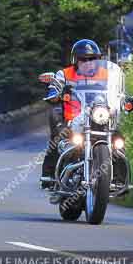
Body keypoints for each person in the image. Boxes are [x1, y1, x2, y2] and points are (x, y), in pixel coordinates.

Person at [40, 39, 108, 188]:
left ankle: (118, 178)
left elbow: (117, 91)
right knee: (59, 137)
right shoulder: (64, 74)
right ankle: (49, 175)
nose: (88, 62)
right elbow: (53, 90)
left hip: (100, 118)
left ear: (98, 60)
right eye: (83, 59)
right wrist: (57, 93)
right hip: (72, 119)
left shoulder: (106, 74)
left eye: (92, 59)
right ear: (75, 60)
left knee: (118, 139)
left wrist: (127, 99)